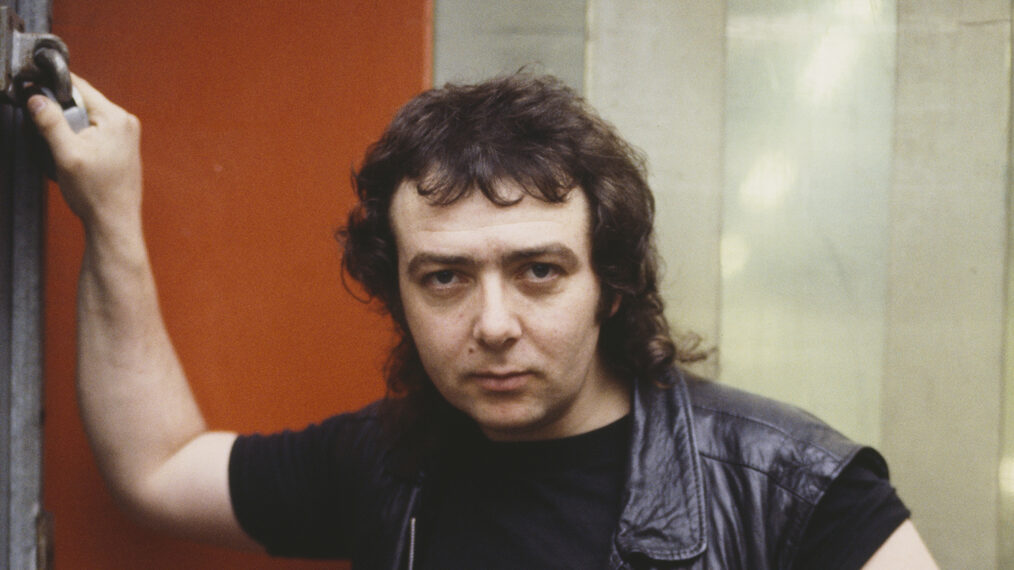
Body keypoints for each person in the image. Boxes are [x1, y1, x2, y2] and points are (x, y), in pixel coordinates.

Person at [28, 73, 937, 569]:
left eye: (539, 270)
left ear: (610, 282)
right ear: (401, 293)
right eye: (446, 278)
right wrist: (109, 215)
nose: (493, 322)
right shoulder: (387, 467)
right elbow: (155, 471)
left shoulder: (791, 488)